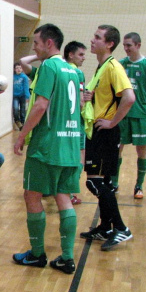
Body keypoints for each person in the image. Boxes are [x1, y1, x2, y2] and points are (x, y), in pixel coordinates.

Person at [12, 23, 81, 274]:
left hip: (47, 146)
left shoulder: (49, 66)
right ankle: (67, 257)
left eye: (36, 43)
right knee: (63, 196)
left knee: (32, 194)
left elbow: (40, 105)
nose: (34, 47)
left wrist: (22, 135)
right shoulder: (72, 70)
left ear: (49, 44)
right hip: (71, 144)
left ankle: (38, 254)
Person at [79, 25, 135, 251]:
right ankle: (105, 227)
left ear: (109, 43)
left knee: (95, 181)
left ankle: (121, 228)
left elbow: (129, 97)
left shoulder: (113, 67)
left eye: (97, 37)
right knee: (104, 182)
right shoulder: (101, 68)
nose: (92, 40)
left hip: (105, 132)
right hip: (98, 131)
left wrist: (112, 122)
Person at [110, 32, 146, 199]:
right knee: (117, 149)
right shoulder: (120, 64)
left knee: (142, 151)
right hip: (122, 115)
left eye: (129, 45)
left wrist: (144, 107)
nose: (126, 48)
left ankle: (139, 185)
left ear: (138, 45)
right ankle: (114, 182)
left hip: (141, 116)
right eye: (124, 45)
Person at [63, 40, 88, 205]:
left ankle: (55, 188)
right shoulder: (77, 73)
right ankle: (69, 192)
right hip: (75, 123)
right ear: (70, 55)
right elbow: (79, 102)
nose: (84, 58)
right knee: (79, 158)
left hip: (60, 122)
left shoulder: (58, 70)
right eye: (81, 54)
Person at [13, 62, 30, 130]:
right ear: (14, 69)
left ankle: (23, 125)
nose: (19, 69)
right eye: (17, 68)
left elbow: (26, 87)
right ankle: (17, 121)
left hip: (22, 96)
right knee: (16, 109)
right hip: (15, 96)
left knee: (22, 111)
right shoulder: (13, 77)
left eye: (20, 68)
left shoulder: (24, 77)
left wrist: (27, 96)